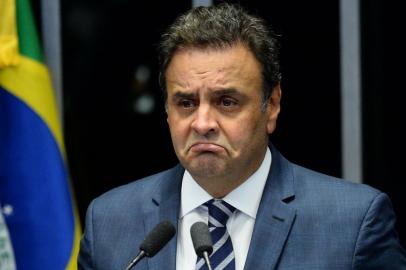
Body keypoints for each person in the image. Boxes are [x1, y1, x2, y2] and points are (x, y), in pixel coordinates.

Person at [78, 3, 406, 270]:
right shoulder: (109, 222)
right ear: (166, 109)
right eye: (186, 103)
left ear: (272, 105)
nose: (202, 122)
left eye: (227, 102)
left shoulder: (352, 224)